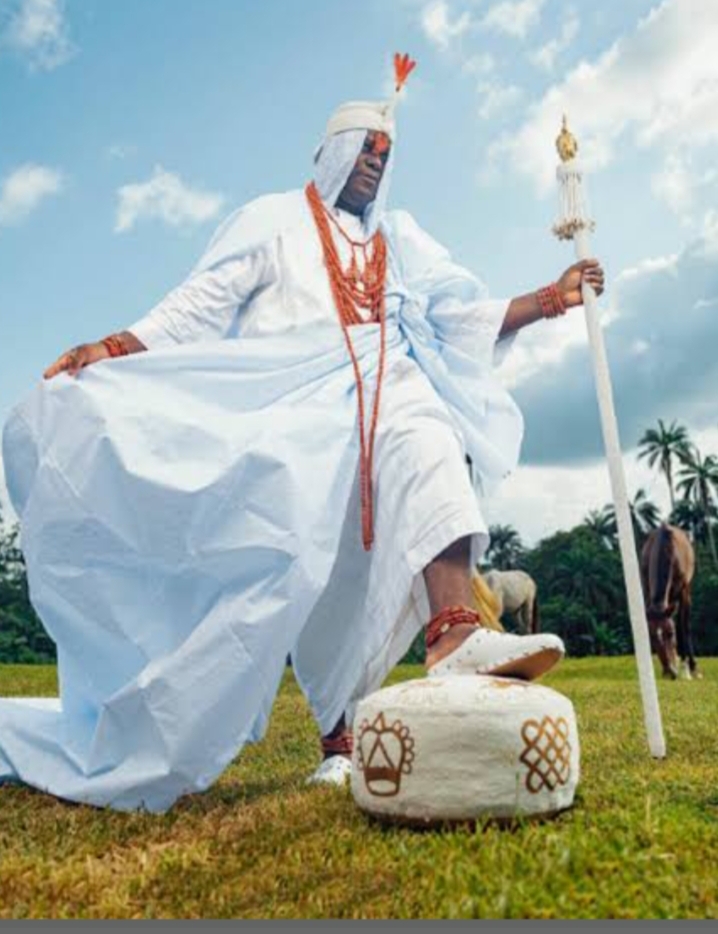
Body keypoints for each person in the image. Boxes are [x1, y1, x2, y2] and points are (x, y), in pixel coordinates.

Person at [1, 55, 604, 807]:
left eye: (388, 156)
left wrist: (549, 298)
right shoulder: (273, 220)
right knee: (310, 585)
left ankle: (452, 630)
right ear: (331, 153)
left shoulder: (400, 242)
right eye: (366, 150)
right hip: (286, 417)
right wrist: (117, 347)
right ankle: (333, 738)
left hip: (381, 405)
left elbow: (455, 316)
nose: (376, 166)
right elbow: (198, 305)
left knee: (421, 419)